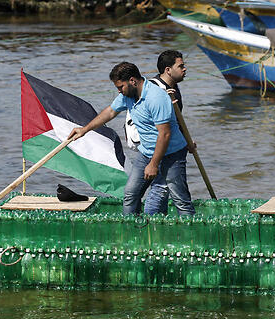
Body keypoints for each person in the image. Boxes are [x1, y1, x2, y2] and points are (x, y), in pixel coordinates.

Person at [68, 62, 195, 216]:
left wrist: (154, 164)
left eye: (120, 87)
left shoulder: (156, 97)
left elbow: (165, 134)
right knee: (130, 194)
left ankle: (191, 237)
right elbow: (110, 112)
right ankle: (131, 231)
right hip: (146, 152)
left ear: (133, 81)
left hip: (172, 154)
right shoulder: (128, 96)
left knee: (180, 200)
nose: (119, 91)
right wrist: (84, 130)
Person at [142, 50, 192, 215]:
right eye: (181, 66)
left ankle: (157, 222)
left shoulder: (173, 87)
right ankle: (152, 224)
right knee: (161, 189)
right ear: (168, 70)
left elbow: (177, 121)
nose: (185, 69)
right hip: (161, 146)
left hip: (174, 144)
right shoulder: (154, 89)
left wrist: (187, 141)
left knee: (162, 190)